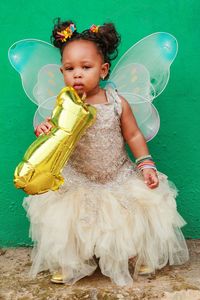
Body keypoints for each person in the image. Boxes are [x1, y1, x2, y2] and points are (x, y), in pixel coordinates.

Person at [23, 19, 189, 286]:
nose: (77, 74)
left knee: (135, 206)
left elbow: (133, 135)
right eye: (69, 68)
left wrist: (146, 164)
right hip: (77, 175)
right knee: (66, 214)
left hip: (116, 172)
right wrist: (45, 127)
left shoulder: (116, 102)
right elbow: (55, 133)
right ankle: (70, 261)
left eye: (85, 67)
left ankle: (135, 254)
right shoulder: (63, 103)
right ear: (62, 72)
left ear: (103, 70)